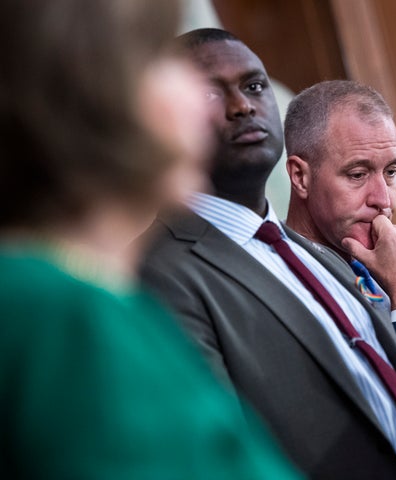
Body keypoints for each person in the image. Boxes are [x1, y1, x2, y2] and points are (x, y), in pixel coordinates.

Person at [0, 1, 301, 478]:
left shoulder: (91, 301)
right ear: (87, 93)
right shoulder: (60, 318)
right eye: (162, 58)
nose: (237, 106)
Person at [139, 28, 396, 480]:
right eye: (209, 92)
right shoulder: (154, 272)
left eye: (254, 85)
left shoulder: (313, 255)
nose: (242, 105)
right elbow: (218, 457)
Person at [283, 79, 396, 403]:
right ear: (300, 177)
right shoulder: (277, 285)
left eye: (390, 172)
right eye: (357, 174)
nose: (382, 199)